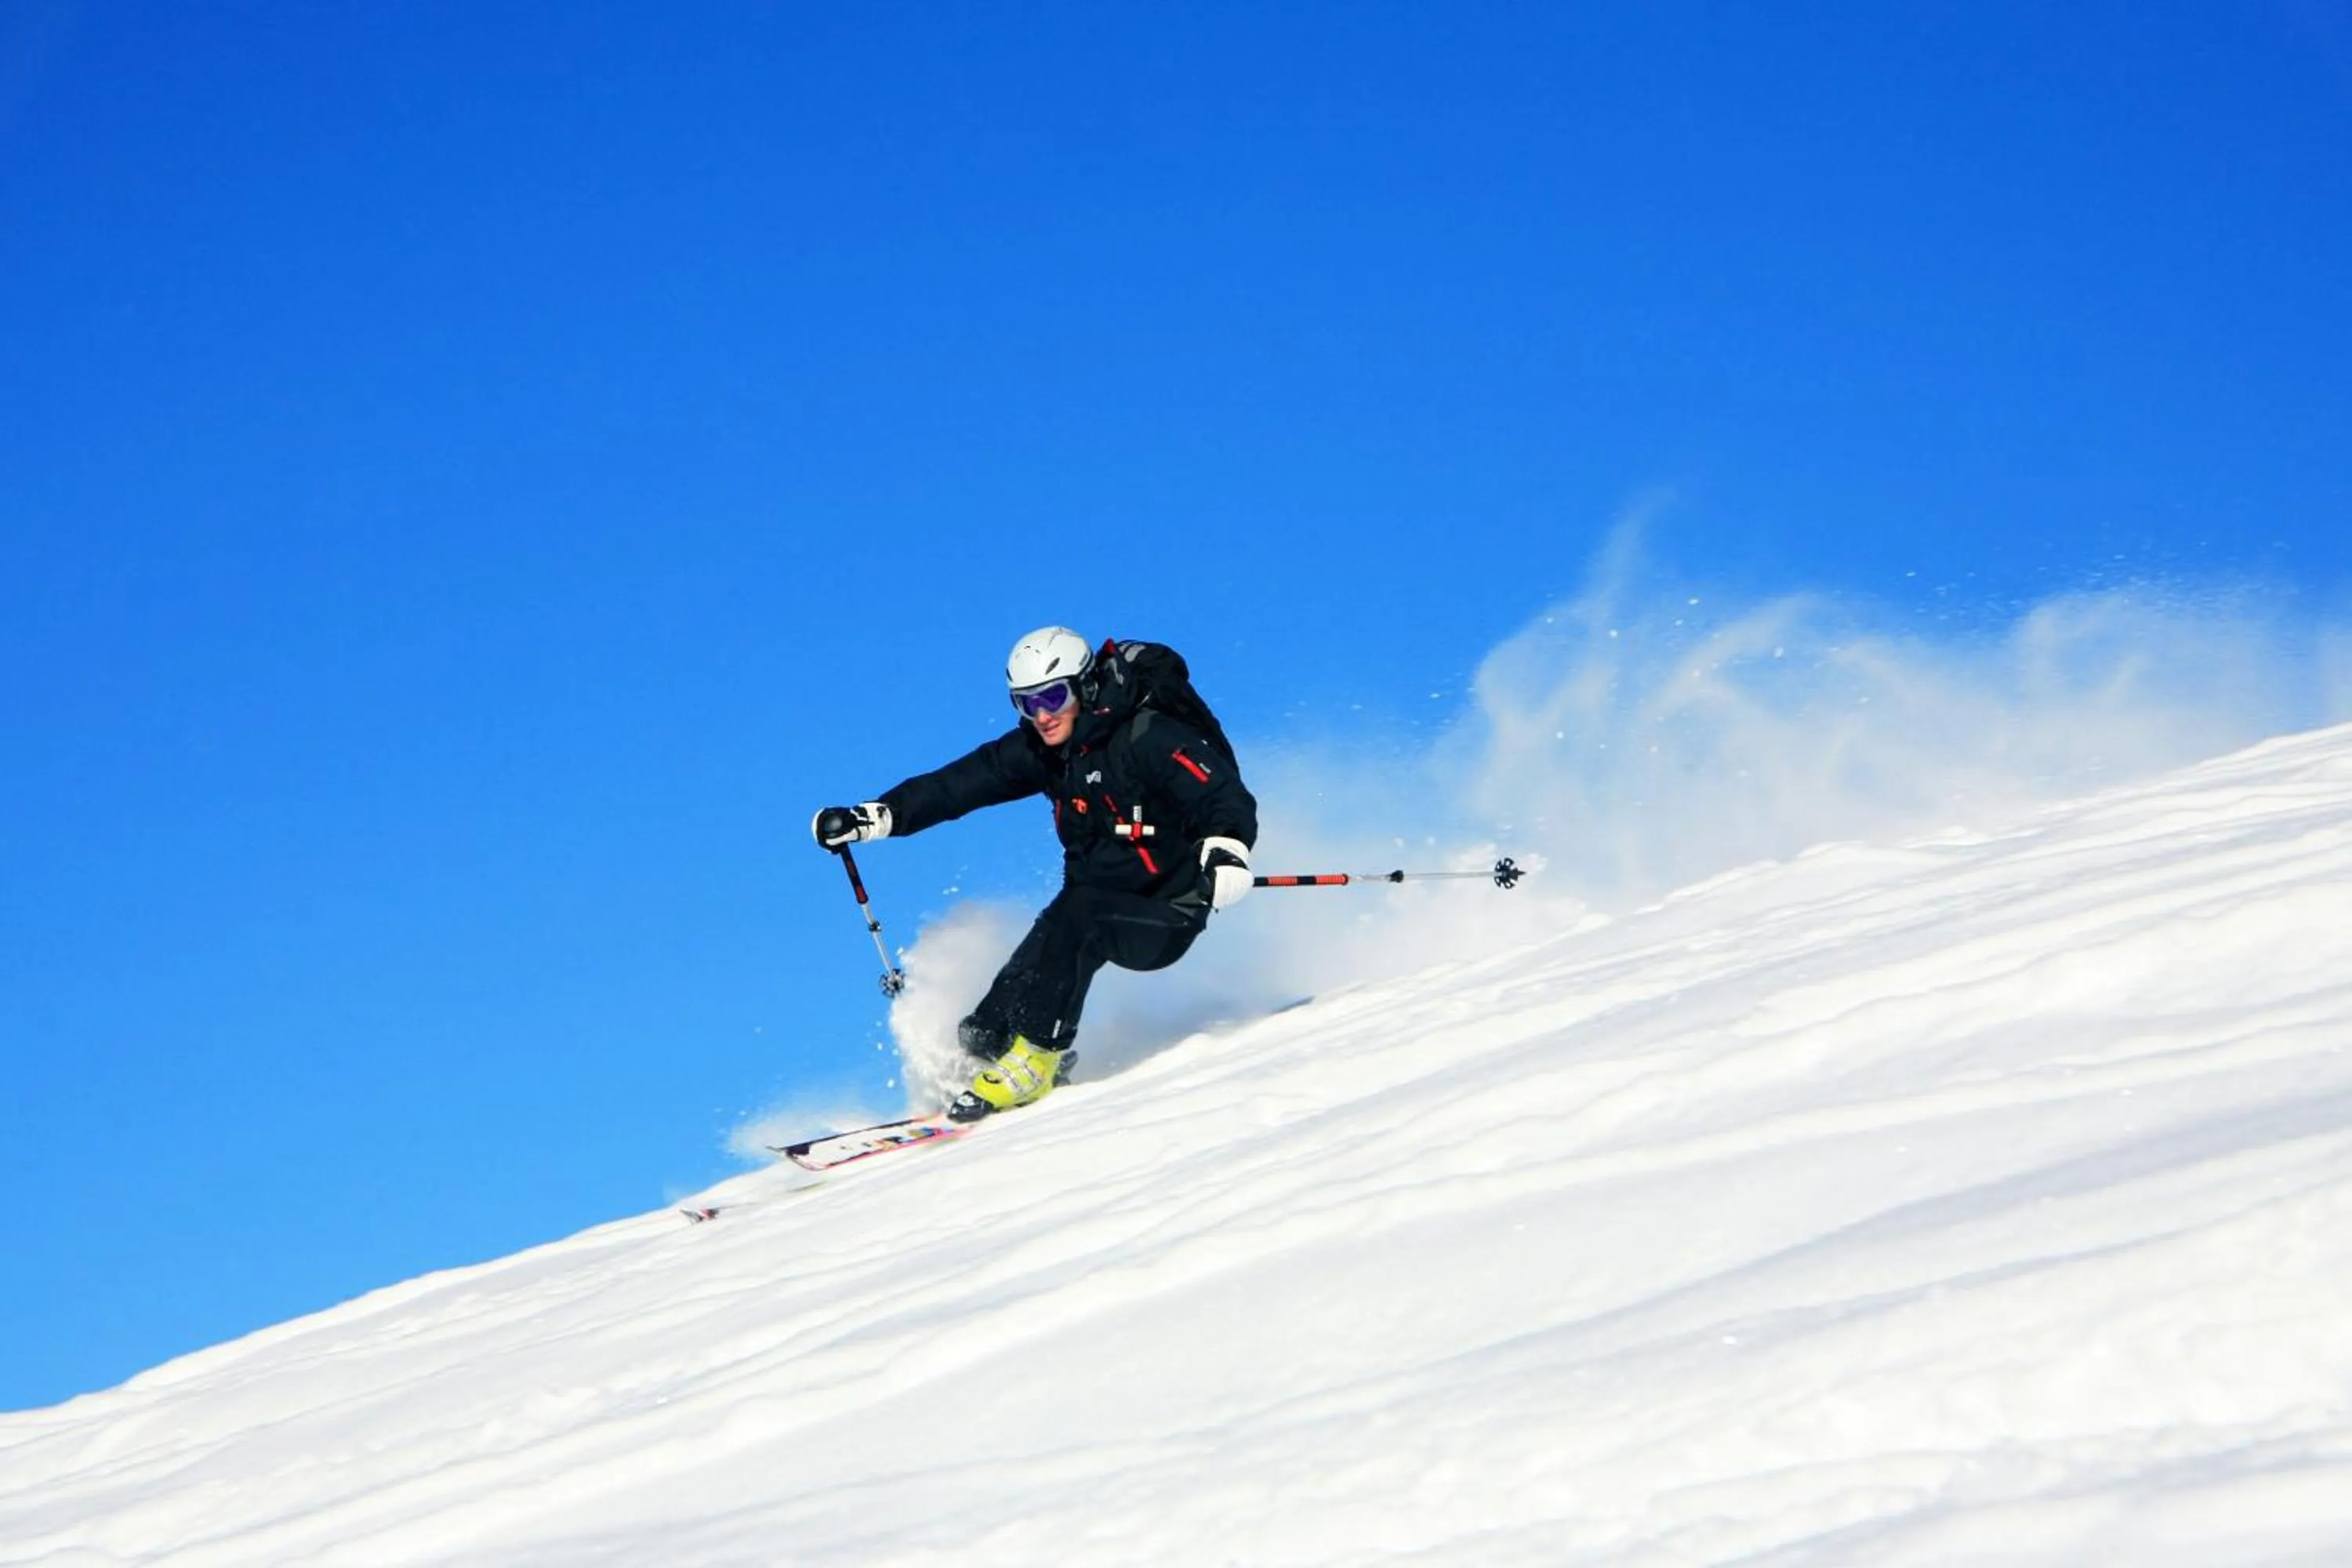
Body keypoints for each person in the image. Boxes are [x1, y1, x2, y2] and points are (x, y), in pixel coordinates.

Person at [812, 626, 1258, 1123]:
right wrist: (877, 817)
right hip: (1085, 907)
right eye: (1026, 703)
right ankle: (990, 1070)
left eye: (1052, 696)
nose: (1042, 715)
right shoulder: (1046, 750)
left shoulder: (1147, 736)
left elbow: (1222, 796)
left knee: (1080, 917)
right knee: (986, 1030)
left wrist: (1226, 850)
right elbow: (959, 785)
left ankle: (1039, 1060)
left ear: (1085, 686)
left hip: (1166, 908)